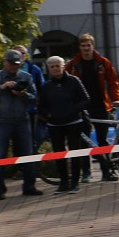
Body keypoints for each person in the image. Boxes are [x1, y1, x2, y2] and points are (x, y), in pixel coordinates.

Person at [64, 33, 119, 182]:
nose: (86, 48)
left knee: (102, 140)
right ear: (79, 47)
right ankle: (86, 172)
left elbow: (113, 81)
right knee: (83, 140)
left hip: (100, 105)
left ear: (93, 46)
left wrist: (115, 99)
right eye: (83, 46)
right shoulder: (72, 65)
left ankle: (106, 171)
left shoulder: (102, 62)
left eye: (88, 45)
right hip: (82, 107)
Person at [0, 49, 42, 200]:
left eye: (17, 64)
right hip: (1, 122)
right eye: (12, 64)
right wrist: (2, 87)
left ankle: (29, 186)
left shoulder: (26, 77)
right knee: (0, 155)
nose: (14, 67)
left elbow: (35, 98)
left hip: (22, 120)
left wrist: (23, 94)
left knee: (28, 153)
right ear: (5, 62)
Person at [38, 55, 89, 194]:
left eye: (57, 65)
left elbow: (86, 99)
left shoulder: (74, 81)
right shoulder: (46, 86)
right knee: (59, 154)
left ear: (63, 66)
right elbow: (41, 106)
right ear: (49, 68)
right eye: (52, 66)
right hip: (55, 125)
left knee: (74, 152)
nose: (55, 68)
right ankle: (64, 183)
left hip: (74, 122)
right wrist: (49, 115)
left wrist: (73, 110)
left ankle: (75, 183)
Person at [13, 44, 46, 148]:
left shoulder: (34, 69)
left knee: (32, 140)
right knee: (17, 141)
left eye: (22, 53)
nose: (20, 55)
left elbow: (42, 89)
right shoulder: (9, 70)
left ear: (26, 55)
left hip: (31, 109)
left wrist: (41, 108)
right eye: (17, 53)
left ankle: (32, 161)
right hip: (14, 110)